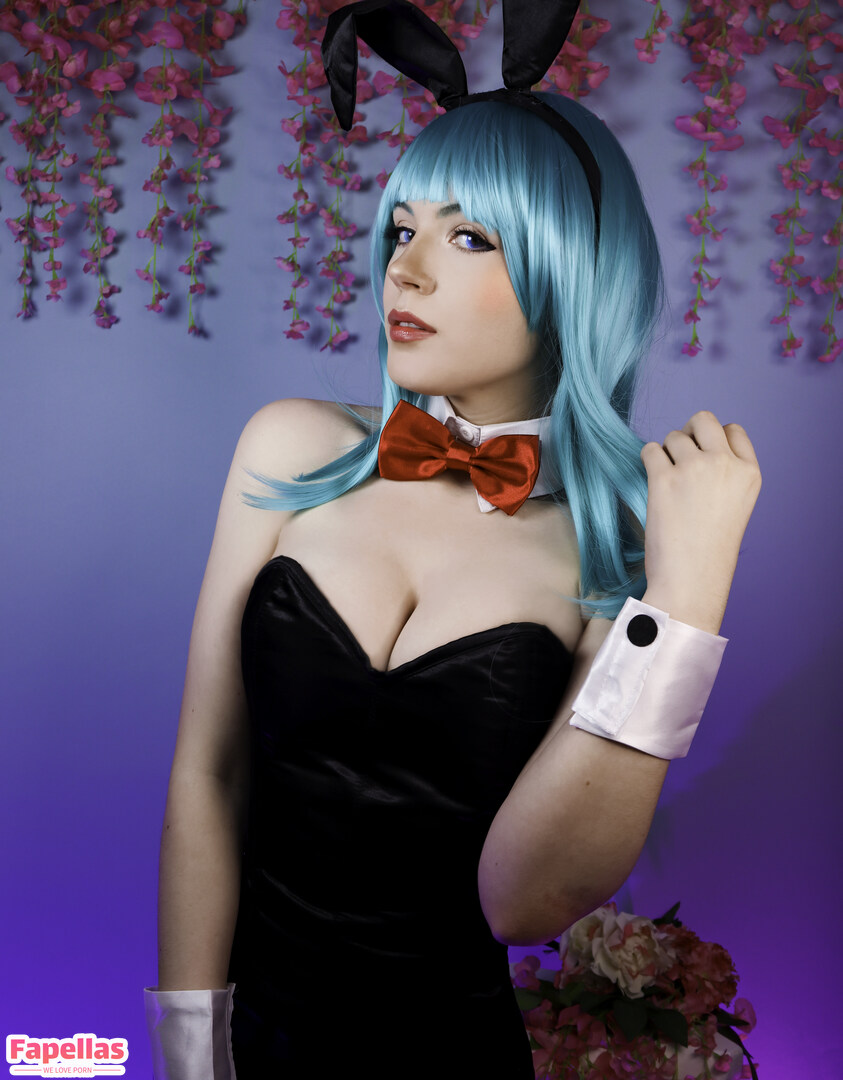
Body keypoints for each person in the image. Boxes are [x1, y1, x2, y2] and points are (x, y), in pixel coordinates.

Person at [143, 8, 762, 1077]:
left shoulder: (616, 553)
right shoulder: (289, 446)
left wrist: (687, 598)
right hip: (250, 1043)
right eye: (402, 230)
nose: (407, 271)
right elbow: (208, 771)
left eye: (469, 236)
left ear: (572, 273)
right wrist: (190, 1055)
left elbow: (526, 901)